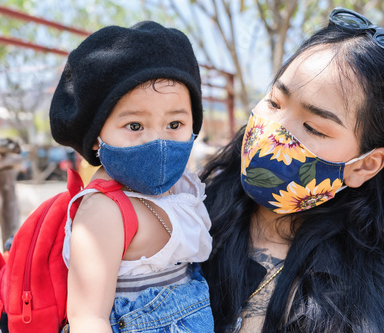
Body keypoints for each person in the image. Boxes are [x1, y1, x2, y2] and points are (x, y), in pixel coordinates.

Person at [200, 7, 384, 333]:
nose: (274, 131)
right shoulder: (189, 214)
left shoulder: (368, 287)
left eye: (314, 127)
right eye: (274, 102)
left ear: (365, 165)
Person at [49, 21, 214, 333]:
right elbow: (88, 318)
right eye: (135, 126)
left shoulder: (182, 189)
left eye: (175, 124)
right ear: (97, 136)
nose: (159, 141)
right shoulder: (105, 210)